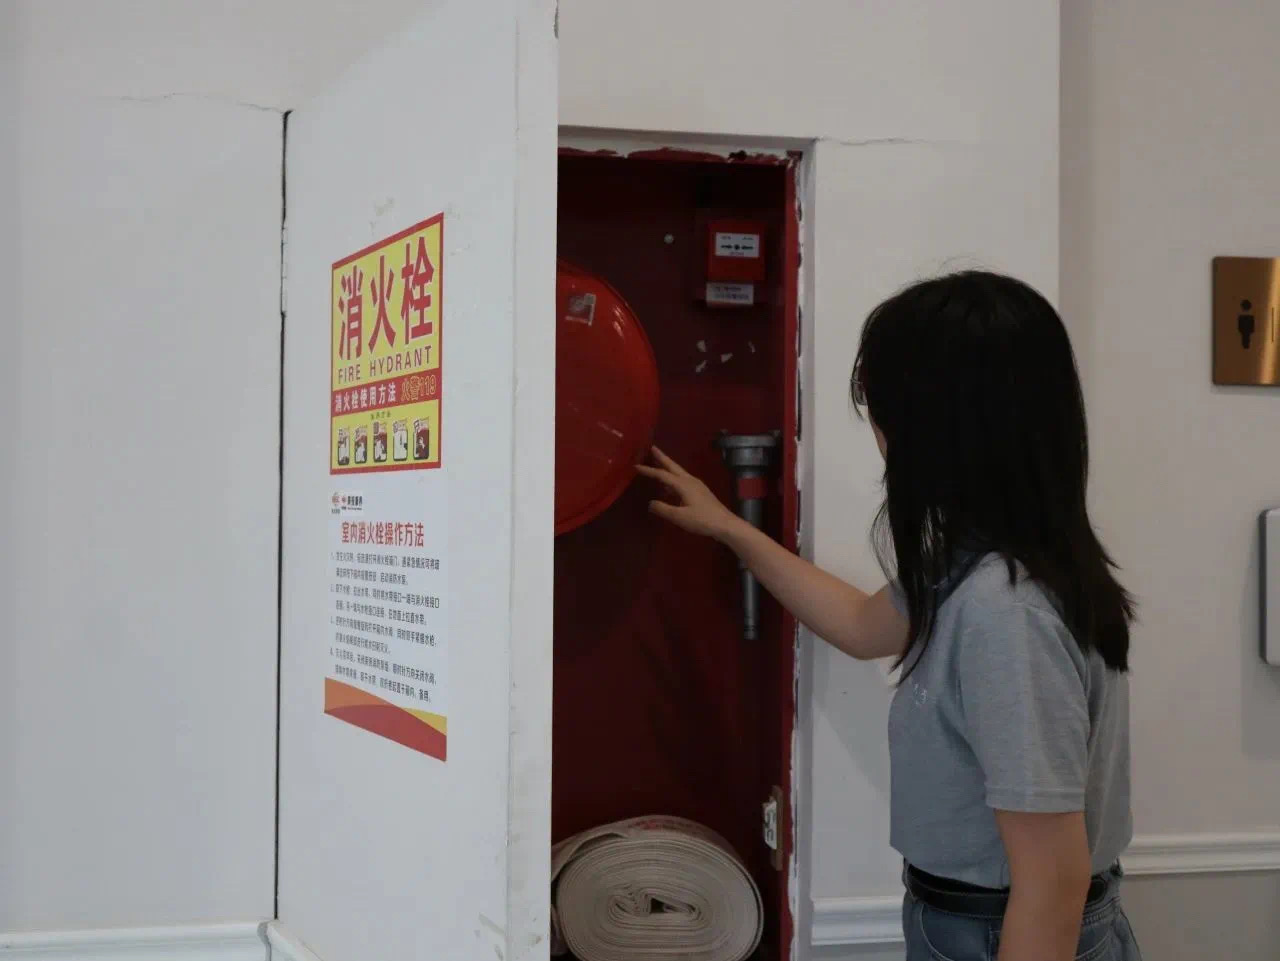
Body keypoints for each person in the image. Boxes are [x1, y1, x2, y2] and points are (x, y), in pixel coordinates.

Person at [637, 270, 1142, 961]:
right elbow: (860, 623)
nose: (878, 435)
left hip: (998, 933)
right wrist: (731, 528)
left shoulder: (1006, 613)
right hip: (975, 922)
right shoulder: (983, 562)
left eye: (880, 408)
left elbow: (1051, 884)